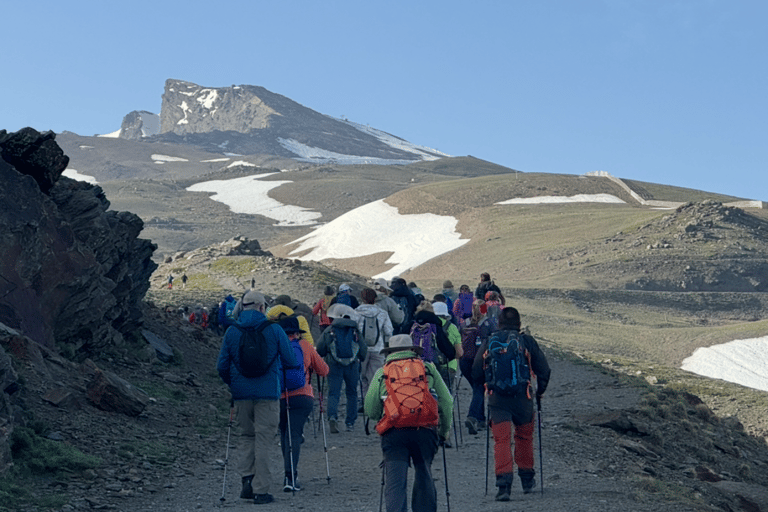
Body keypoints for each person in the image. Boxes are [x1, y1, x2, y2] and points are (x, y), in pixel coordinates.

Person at [216, 291, 298, 505]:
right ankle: (261, 490)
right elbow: (290, 360)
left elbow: (222, 366)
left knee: (246, 436)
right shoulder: (275, 329)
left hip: (241, 395)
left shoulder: (232, 331)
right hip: (268, 394)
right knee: (264, 439)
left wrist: (233, 383)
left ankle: (247, 480)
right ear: (262, 307)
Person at [364, 334, 453, 512]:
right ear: (413, 350)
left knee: (395, 481)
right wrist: (443, 432)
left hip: (394, 431)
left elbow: (371, 408)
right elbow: (447, 402)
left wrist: (382, 416)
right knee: (424, 473)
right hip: (424, 429)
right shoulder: (427, 369)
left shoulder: (383, 372)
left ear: (390, 352)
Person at [472, 306, 550, 500]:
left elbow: (476, 371)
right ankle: (527, 479)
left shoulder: (490, 341)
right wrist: (539, 392)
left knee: (502, 440)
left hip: (497, 399)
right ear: (519, 324)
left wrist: (487, 383)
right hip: (523, 398)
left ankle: (503, 485)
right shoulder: (526, 341)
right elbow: (544, 370)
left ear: (498, 323)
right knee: (524, 437)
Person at [276, 316, 329, 492]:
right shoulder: (305, 346)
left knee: (285, 433)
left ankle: (287, 473)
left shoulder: (274, 346)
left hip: (279, 397)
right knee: (295, 434)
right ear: (297, 333)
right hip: (302, 396)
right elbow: (324, 370)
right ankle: (291, 476)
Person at [315, 303, 366, 433]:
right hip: (352, 365)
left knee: (333, 392)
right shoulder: (355, 330)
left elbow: (320, 349)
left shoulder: (330, 329)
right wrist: (360, 358)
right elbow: (363, 350)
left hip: (333, 364)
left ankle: (332, 417)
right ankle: (350, 422)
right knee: (352, 393)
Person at [355, 287, 393, 401]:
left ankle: (362, 400)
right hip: (378, 349)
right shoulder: (382, 313)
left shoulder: (355, 312)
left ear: (362, 298)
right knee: (376, 378)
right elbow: (388, 331)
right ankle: (373, 401)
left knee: (360, 376)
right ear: (375, 299)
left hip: (360, 349)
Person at [459, 300, 485, 434]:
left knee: (476, 388)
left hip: (464, 361)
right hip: (478, 360)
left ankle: (481, 419)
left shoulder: (464, 323)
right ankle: (473, 416)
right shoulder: (486, 323)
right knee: (479, 388)